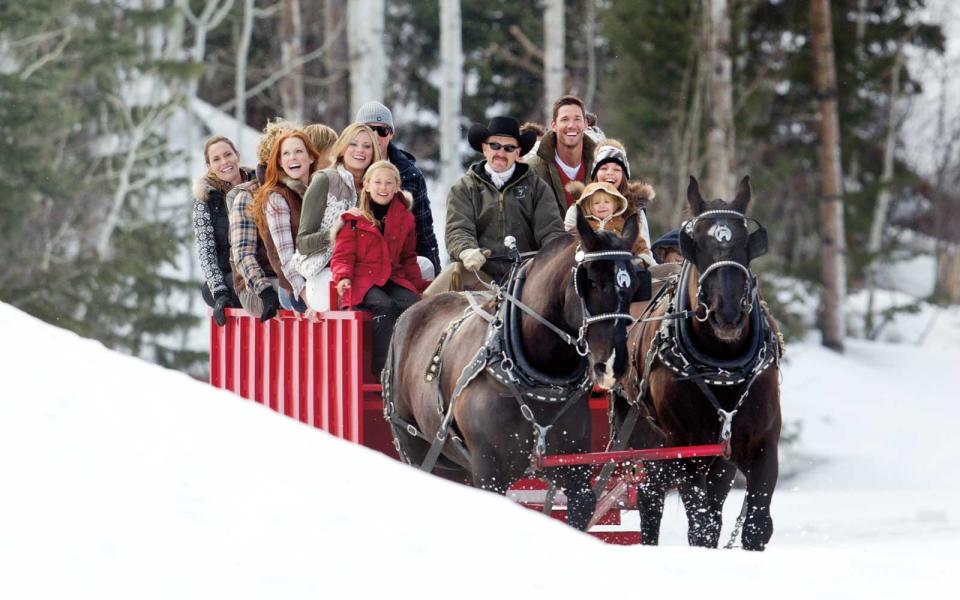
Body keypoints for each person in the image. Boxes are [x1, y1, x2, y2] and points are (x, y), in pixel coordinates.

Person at [427, 116, 565, 294]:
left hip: (527, 276)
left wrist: (550, 260)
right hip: (479, 274)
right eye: (494, 146)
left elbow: (551, 231)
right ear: (485, 148)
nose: (501, 152)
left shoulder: (537, 188)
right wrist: (467, 251)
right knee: (431, 300)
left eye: (509, 148)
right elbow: (458, 229)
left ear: (518, 152)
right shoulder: (464, 188)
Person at [330, 161, 428, 375]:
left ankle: (410, 367)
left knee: (414, 305)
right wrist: (343, 277)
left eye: (388, 183)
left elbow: (408, 257)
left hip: (392, 277)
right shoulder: (355, 220)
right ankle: (382, 370)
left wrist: (419, 287)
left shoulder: (405, 219)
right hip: (363, 280)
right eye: (378, 182)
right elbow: (342, 256)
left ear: (396, 187)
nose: (383, 188)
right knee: (385, 306)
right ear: (366, 185)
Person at [295, 123, 381, 310]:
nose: (360, 151)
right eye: (353, 144)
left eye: (367, 146)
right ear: (342, 147)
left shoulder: (377, 187)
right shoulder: (324, 180)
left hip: (364, 267)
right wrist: (336, 232)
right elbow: (302, 243)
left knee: (422, 268)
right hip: (324, 269)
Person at [355, 101, 441, 276]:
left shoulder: (409, 174)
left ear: (391, 134)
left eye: (382, 130)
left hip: (399, 260)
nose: (375, 135)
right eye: (368, 129)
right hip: (357, 259)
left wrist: (435, 271)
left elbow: (423, 230)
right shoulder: (350, 169)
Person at [250, 131, 321, 313]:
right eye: (286, 154)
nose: (293, 158)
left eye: (298, 151)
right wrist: (307, 295)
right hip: (294, 285)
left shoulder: (321, 189)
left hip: (320, 275)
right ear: (280, 162)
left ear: (311, 157)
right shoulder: (277, 198)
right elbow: (286, 258)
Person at [227, 126, 292, 321]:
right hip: (255, 285)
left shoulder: (298, 190)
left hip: (288, 279)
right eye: (281, 155)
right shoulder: (247, 197)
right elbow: (243, 255)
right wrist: (265, 290)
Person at [193, 135, 256, 326]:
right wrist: (219, 292)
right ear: (209, 165)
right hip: (229, 274)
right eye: (216, 159)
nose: (224, 162)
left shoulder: (258, 184)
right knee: (210, 292)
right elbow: (206, 251)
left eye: (228, 154)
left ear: (237, 155)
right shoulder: (206, 198)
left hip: (259, 265)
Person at [525, 95, 597, 215]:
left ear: (585, 124)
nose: (571, 125)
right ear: (554, 125)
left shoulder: (600, 166)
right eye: (565, 119)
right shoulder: (533, 170)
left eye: (577, 119)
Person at [589, 139, 655, 259]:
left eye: (616, 169)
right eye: (604, 168)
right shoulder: (582, 205)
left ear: (624, 175)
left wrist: (641, 262)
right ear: (595, 173)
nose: (610, 173)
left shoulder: (635, 210)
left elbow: (644, 249)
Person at [563, 181, 655, 266]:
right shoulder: (585, 227)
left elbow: (640, 246)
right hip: (592, 266)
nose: (602, 205)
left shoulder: (622, 224)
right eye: (596, 203)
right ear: (588, 207)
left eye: (607, 202)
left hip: (620, 265)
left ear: (615, 205)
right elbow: (572, 244)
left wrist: (640, 261)